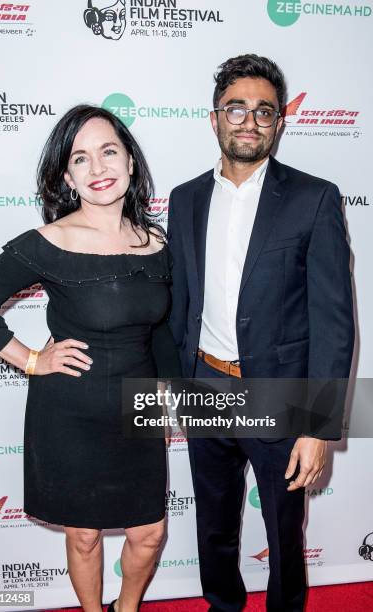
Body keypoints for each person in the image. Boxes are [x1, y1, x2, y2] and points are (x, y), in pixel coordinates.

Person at [0, 104, 180, 612]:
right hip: (71, 413)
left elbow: (164, 329)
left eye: (109, 152)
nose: (98, 168)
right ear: (67, 176)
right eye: (81, 159)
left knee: (148, 532)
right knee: (84, 537)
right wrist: (29, 359)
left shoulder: (158, 242)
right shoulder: (49, 242)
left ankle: (126, 608)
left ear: (130, 160)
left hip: (139, 411)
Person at [168, 55, 354, 611]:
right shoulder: (185, 199)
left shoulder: (313, 198)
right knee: (215, 527)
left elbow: (334, 320)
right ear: (214, 118)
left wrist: (318, 425)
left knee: (284, 536)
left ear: (279, 122)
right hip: (205, 388)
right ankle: (222, 606)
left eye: (264, 111)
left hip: (280, 397)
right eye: (237, 109)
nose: (249, 121)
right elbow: (179, 303)